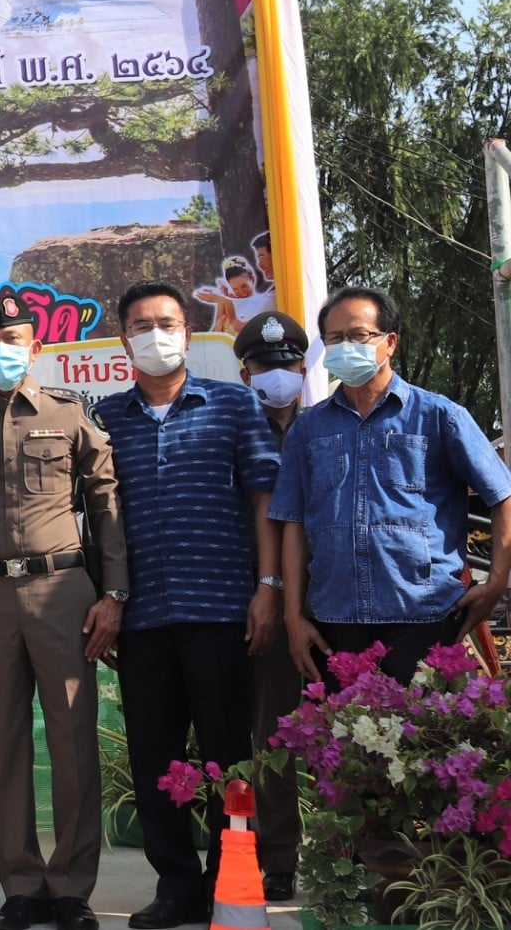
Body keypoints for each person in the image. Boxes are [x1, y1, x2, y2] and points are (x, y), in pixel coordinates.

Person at [0, 291, 127, 930]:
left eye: (11, 343)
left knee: (72, 743)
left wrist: (114, 593)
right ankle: (19, 885)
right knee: (3, 745)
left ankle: (70, 887)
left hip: (63, 592)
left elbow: (106, 507)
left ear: (35, 348)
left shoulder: (70, 415)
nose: (0, 353)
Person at [97, 284, 281, 929]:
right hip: (142, 617)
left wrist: (268, 587)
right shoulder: (105, 419)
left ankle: (230, 881)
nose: (156, 334)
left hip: (223, 610)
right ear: (124, 340)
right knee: (155, 758)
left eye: (167, 322)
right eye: (141, 324)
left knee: (230, 755)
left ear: (187, 331)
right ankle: (175, 886)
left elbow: (264, 499)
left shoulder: (233, 404)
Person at [270, 286, 511, 686]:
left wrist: (497, 580)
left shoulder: (439, 416)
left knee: (429, 725)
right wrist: (293, 615)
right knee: (343, 728)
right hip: (335, 621)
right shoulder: (307, 429)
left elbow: (502, 493)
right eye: (335, 338)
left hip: (425, 617)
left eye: (358, 335)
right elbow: (292, 521)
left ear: (390, 342)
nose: (346, 346)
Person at [233, 309, 309, 902]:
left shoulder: (328, 426)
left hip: (328, 604)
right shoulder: (231, 429)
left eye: (285, 364)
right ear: (245, 373)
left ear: (303, 368)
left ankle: (352, 853)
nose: (275, 375)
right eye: (263, 366)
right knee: (273, 735)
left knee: (347, 731)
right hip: (258, 603)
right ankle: (278, 857)